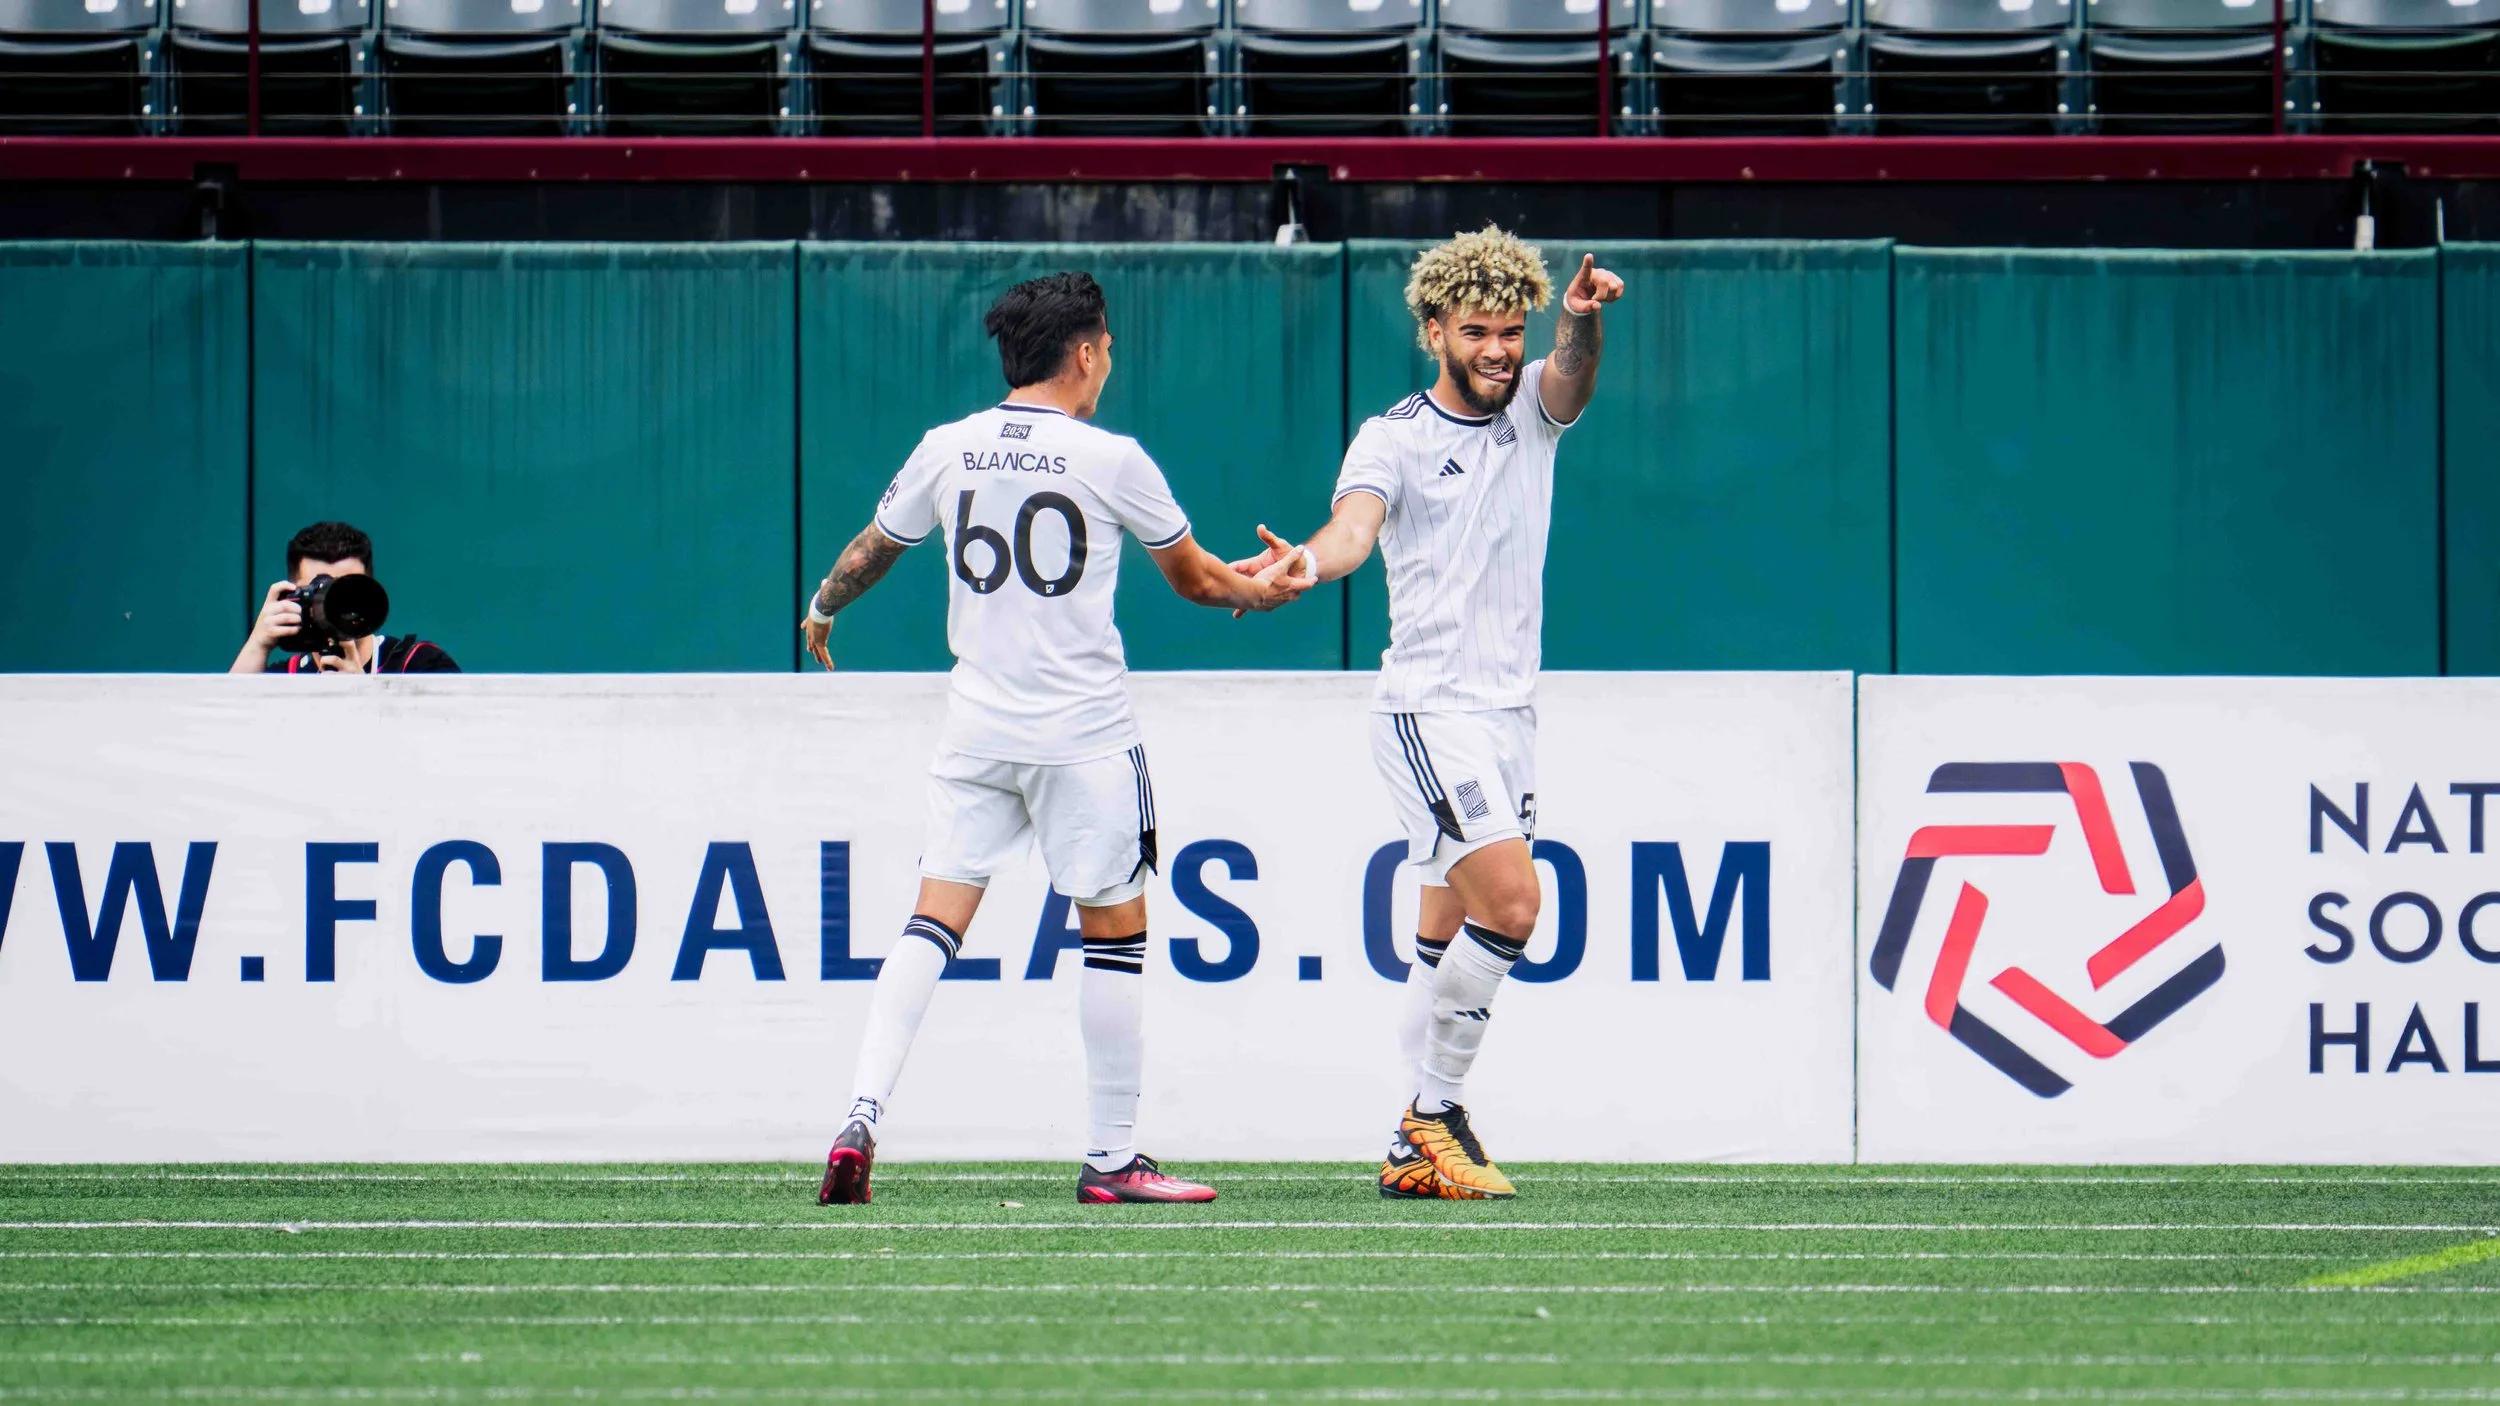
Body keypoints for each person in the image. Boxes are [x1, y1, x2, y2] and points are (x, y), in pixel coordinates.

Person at [801, 271, 1314, 1207]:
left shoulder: (947, 446)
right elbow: (1198, 581)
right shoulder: (1111, 459)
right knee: (1114, 933)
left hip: (978, 732)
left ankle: (860, 1116)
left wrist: (824, 606)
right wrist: (1265, 589)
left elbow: (873, 549)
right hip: (1084, 735)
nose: (1110, 360)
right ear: (1082, 352)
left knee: (932, 923)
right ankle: (1112, 1161)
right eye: (1107, 346)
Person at [1232, 227, 1623, 1201]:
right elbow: (1352, 530)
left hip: (1510, 714)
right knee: (1516, 905)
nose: (1497, 349)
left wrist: (1578, 321)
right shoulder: (1392, 437)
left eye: (1511, 330)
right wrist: (1303, 564)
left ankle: (1411, 1146)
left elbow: (1572, 380)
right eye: (1476, 331)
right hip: (1428, 710)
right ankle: (1433, 1114)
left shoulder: (1531, 410)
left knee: (1444, 936)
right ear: (1435, 331)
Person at [231, 521, 459, 675]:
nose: (333, 604)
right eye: (319, 590)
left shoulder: (421, 667)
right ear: (293, 596)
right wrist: (258, 644)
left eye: (347, 592)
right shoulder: (287, 678)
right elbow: (226, 722)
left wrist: (361, 696)